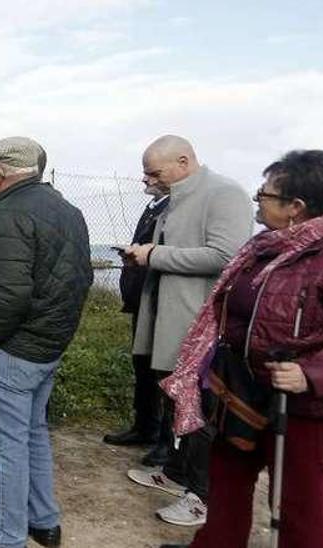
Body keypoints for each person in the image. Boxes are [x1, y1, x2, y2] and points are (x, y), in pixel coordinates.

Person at [159, 150, 323, 548]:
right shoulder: (266, 248)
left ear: (296, 207)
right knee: (228, 472)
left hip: (308, 403)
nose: (258, 200)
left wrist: (311, 375)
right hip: (244, 387)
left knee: (297, 495)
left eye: (265, 195)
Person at [0, 137, 92, 548]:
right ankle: (44, 521)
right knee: (33, 434)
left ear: (0, 172)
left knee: (8, 448)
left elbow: (9, 295)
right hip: (47, 346)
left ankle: (6, 538)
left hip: (11, 351)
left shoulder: (8, 213)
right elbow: (80, 279)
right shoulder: (66, 209)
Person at [123, 135, 252, 527]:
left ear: (183, 160)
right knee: (175, 401)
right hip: (166, 319)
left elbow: (227, 256)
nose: (149, 180)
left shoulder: (224, 194)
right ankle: (176, 472)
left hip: (198, 328)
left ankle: (202, 497)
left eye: (154, 172)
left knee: (198, 412)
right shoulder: (176, 195)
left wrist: (154, 255)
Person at [102, 170, 170, 447]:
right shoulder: (153, 206)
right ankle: (143, 426)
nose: (144, 180)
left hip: (160, 302)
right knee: (141, 365)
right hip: (140, 299)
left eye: (152, 174)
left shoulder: (173, 208)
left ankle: (163, 438)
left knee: (160, 370)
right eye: (144, 173)